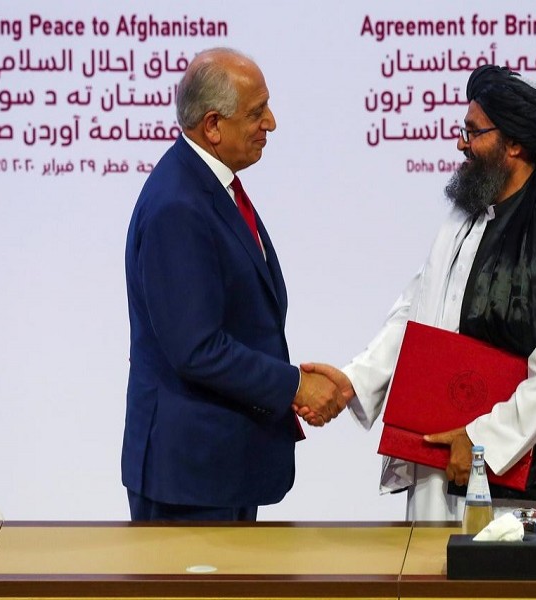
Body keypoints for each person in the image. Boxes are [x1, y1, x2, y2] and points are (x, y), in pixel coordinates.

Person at [301, 65, 536, 522]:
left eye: (473, 132)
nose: (461, 144)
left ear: (515, 143)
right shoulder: (462, 222)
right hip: (440, 462)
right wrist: (355, 382)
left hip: (520, 488)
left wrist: (483, 443)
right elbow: (415, 315)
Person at [122, 48, 344, 521]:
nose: (272, 123)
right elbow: (197, 348)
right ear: (213, 125)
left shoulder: (208, 186)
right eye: (257, 112)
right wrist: (294, 386)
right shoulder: (178, 206)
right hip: (191, 479)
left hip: (219, 467)